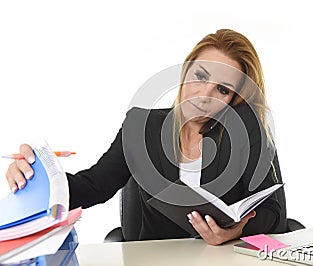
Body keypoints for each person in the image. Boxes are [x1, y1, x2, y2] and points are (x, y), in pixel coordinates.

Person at [5, 29, 287, 246]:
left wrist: (237, 231)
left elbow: (275, 213)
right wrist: (37, 179)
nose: (204, 95)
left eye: (222, 90)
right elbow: (92, 186)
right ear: (186, 70)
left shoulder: (246, 131)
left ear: (235, 98)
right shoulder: (141, 127)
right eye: (200, 76)